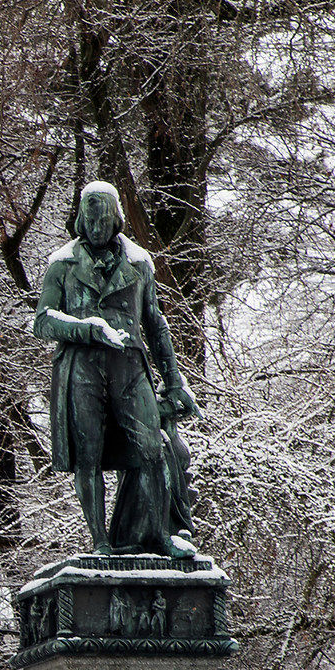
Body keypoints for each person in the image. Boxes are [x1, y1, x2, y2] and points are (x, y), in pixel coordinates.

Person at [33, 181, 200, 558]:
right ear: (80, 219)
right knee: (88, 456)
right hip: (82, 370)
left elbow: (156, 325)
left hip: (129, 368)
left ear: (116, 220)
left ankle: (158, 534)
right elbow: (42, 321)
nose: (95, 227)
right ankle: (100, 540)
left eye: (102, 219)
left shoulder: (139, 263)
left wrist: (174, 381)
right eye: (89, 219)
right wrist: (86, 329)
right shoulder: (63, 264)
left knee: (152, 448)